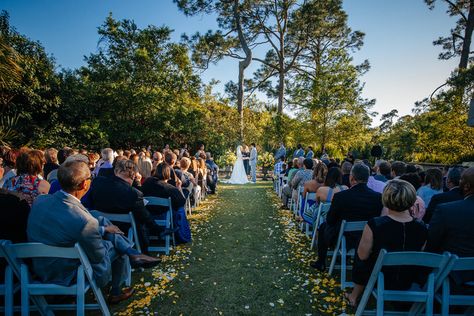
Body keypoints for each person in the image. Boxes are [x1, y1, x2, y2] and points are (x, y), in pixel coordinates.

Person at [27, 160, 160, 304]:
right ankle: (118, 282)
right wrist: (107, 238)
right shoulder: (83, 221)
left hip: (39, 267)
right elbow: (99, 258)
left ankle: (131, 252)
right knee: (117, 248)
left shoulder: (40, 200)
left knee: (98, 217)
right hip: (66, 274)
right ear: (85, 184)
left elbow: (66, 226)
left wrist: (102, 229)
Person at [345, 180, 428, 307]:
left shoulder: (375, 224)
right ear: (412, 199)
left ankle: (354, 295)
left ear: (386, 199)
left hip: (379, 278)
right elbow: (421, 254)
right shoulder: (422, 227)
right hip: (410, 279)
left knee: (362, 252)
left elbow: (362, 256)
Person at [311, 163, 383, 271]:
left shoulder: (341, 196)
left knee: (323, 227)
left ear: (352, 178)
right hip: (367, 237)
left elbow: (330, 220)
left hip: (343, 236)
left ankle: (321, 261)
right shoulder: (378, 197)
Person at [88, 159, 160, 252]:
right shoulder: (134, 193)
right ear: (133, 175)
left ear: (116, 171)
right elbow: (144, 216)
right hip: (126, 229)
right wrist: (158, 229)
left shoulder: (97, 182)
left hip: (101, 225)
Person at [426, 167, 474, 286]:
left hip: (450, 275)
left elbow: (431, 243)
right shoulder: (448, 209)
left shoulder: (446, 210)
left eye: (461, 180)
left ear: (467, 186)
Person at [141, 163, 191, 243]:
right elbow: (182, 202)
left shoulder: (146, 183)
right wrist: (179, 188)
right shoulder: (170, 189)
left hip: (147, 215)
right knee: (180, 209)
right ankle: (183, 235)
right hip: (163, 216)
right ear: (169, 173)